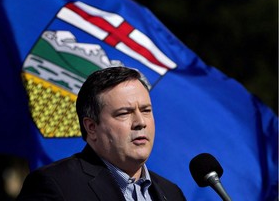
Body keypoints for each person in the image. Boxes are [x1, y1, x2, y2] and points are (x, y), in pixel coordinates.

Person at [17, 66, 186, 201]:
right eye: (124, 113)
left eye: (146, 110)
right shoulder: (55, 185)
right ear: (91, 127)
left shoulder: (171, 193)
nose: (140, 122)